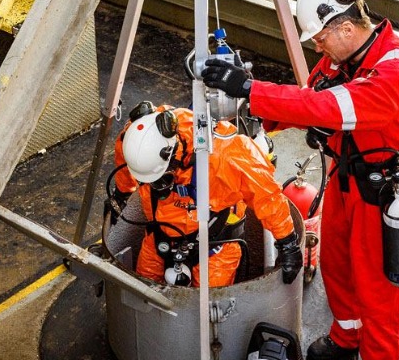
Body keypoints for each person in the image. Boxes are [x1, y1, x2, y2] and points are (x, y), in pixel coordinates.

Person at [201, 0, 399, 360]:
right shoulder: (342, 59)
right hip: (346, 180)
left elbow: (332, 109)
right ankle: (347, 335)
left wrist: (252, 89)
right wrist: (251, 115)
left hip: (383, 195)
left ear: (345, 27)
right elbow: (310, 99)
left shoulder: (398, 70)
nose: (317, 48)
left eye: (320, 38)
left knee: (382, 293)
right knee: (336, 264)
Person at [109, 102, 302, 288]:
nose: (156, 185)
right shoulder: (136, 136)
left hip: (215, 246)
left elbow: (268, 197)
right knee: (144, 291)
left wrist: (288, 244)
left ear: (172, 154)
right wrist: (121, 194)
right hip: (159, 237)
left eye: (160, 180)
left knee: (210, 303)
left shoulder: (229, 154)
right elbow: (124, 163)